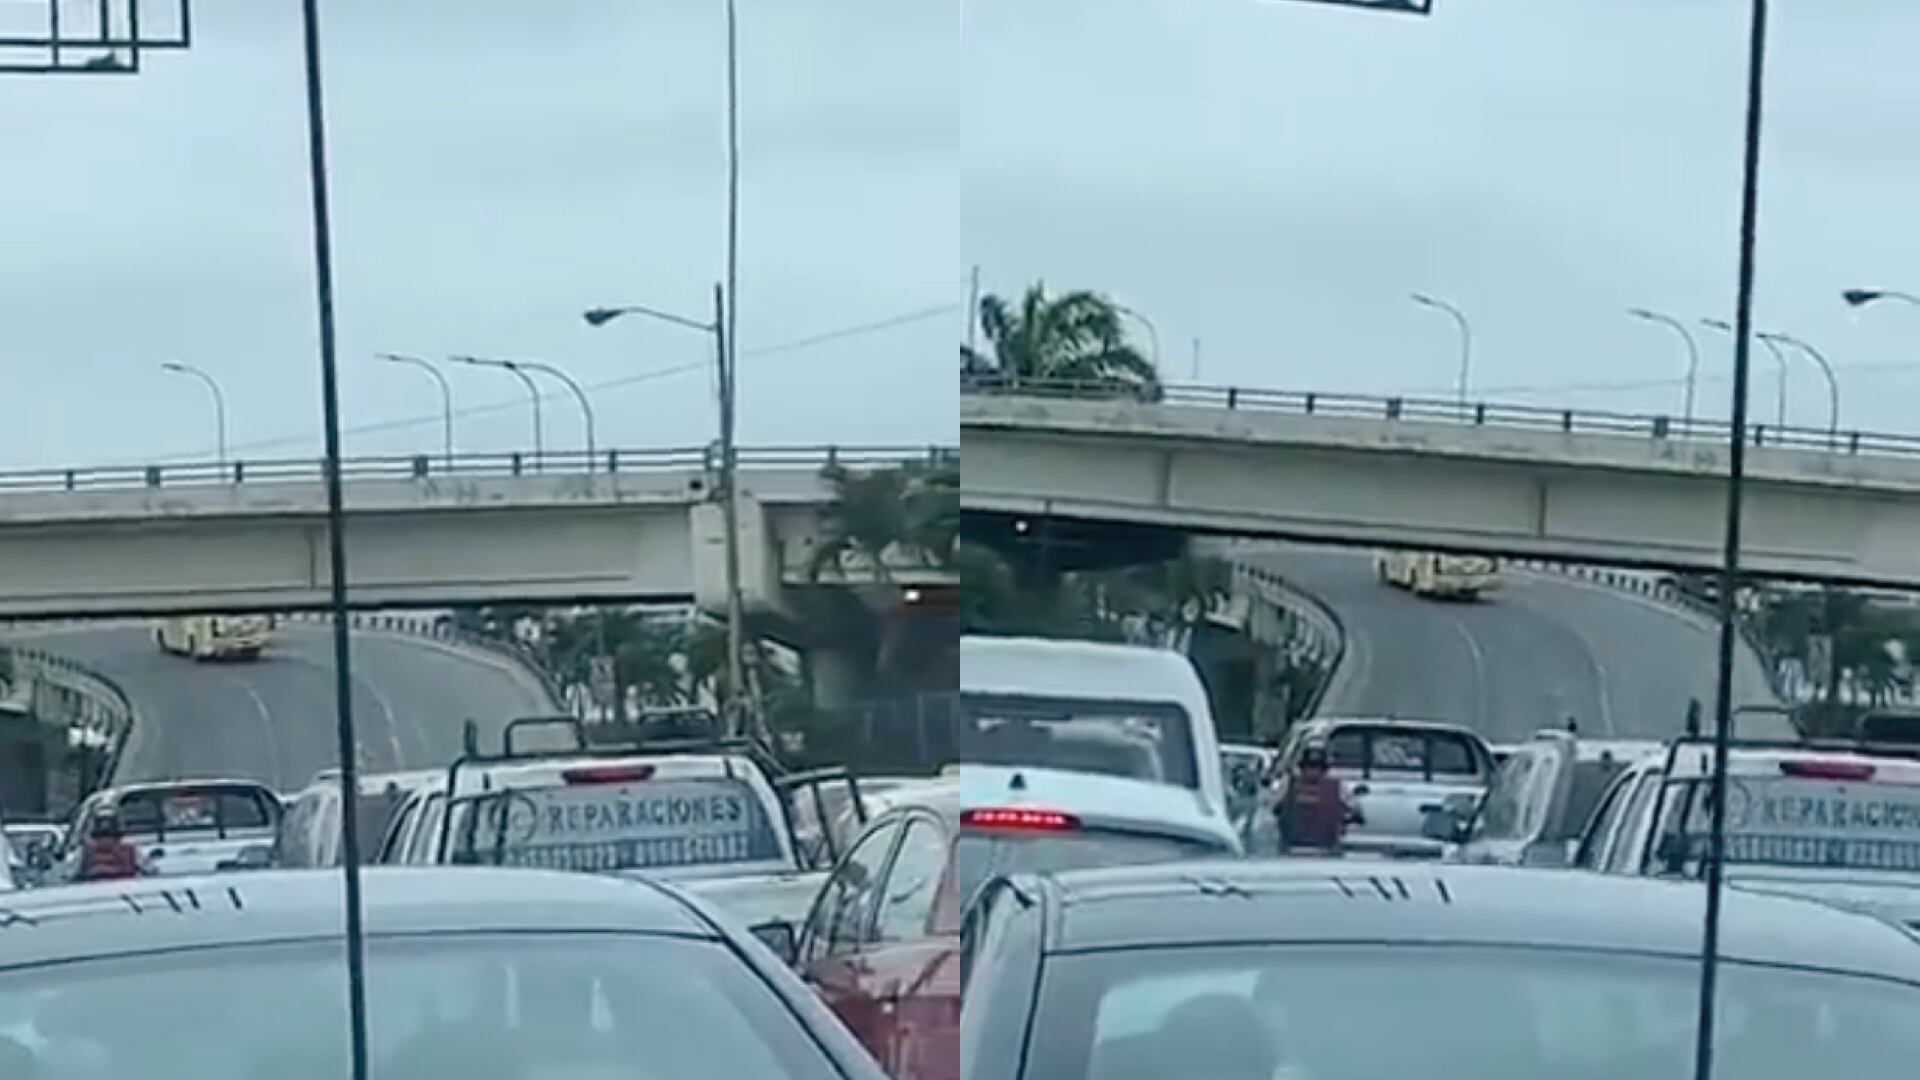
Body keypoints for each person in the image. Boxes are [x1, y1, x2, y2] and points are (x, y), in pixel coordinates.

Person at [1274, 742, 1356, 855]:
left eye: (1316, 767)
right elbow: (1354, 808)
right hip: (1315, 848)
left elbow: (1273, 806)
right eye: (1311, 767)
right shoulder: (1337, 786)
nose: (1313, 771)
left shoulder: (1288, 784)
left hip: (1307, 848)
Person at [78, 808, 144, 882]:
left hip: (125, 886)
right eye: (102, 836)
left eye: (110, 835)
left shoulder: (131, 851)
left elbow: (149, 873)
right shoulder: (84, 853)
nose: (106, 841)